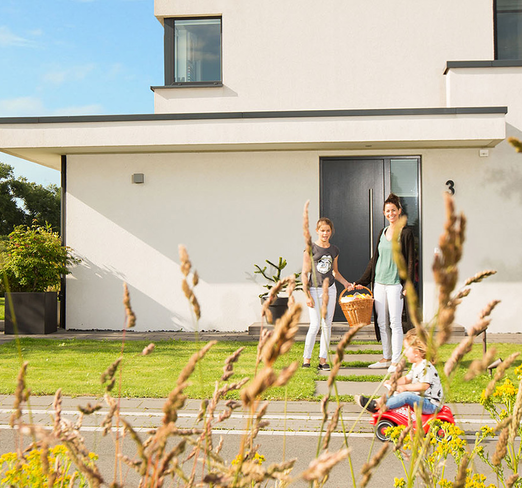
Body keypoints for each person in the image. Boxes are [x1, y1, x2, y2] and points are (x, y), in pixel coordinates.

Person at [354, 193, 415, 373]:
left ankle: (396, 361)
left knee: (395, 322)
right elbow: (375, 260)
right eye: (387, 211)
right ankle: (386, 357)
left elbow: (411, 260)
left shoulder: (406, 233)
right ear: (384, 213)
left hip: (396, 283)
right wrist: (362, 282)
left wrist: (408, 285)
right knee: (382, 322)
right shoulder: (382, 232)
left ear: (399, 211)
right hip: (379, 283)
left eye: (393, 210)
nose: (391, 213)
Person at [354, 329, 443, 414]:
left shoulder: (425, 366)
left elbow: (424, 385)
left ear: (417, 352)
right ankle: (375, 403)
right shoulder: (416, 365)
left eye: (406, 349)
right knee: (395, 392)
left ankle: (381, 406)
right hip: (421, 400)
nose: (404, 352)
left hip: (430, 405)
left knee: (406, 396)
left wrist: (405, 388)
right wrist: (393, 383)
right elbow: (407, 379)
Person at [302, 218, 350, 371]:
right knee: (315, 325)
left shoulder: (334, 250)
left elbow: (335, 272)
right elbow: (304, 273)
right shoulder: (311, 249)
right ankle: (307, 359)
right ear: (317, 231)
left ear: (331, 232)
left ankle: (323, 360)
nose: (325, 233)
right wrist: (307, 295)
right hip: (315, 290)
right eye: (322, 230)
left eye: (328, 231)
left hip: (330, 290)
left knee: (327, 325)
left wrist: (346, 283)